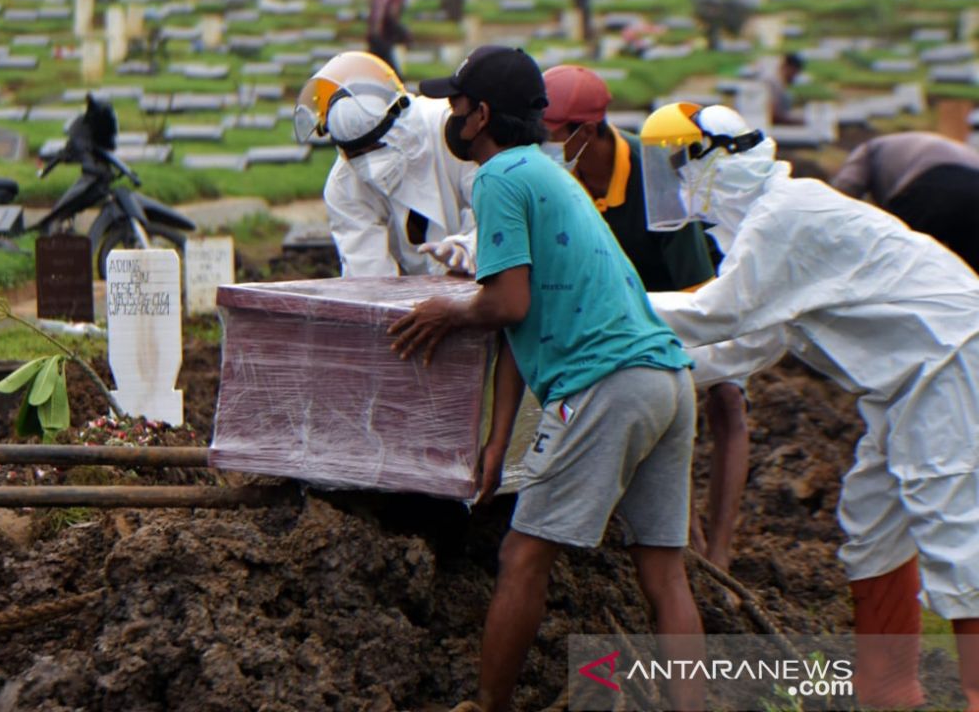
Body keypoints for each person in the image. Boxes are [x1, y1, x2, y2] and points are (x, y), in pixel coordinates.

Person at [389, 46, 705, 712]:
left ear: (479, 115)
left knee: (523, 557)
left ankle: (488, 705)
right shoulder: (549, 171)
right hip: (667, 381)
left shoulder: (499, 177)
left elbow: (505, 305)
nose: (450, 114)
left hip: (608, 383)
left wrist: (446, 312)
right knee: (663, 571)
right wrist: (499, 441)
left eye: (455, 104)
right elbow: (518, 325)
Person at [637, 101, 979, 710]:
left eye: (678, 168)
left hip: (948, 359)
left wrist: (593, 309)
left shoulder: (784, 214)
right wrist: (650, 365)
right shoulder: (765, 225)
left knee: (956, 534)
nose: (677, 186)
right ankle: (889, 692)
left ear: (715, 161)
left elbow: (721, 313)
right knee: (873, 525)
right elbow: (756, 342)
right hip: (908, 380)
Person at [541, 65, 750, 571]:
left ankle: (718, 547)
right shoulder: (552, 178)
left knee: (725, 399)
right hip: (611, 307)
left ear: (585, 132)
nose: (539, 144)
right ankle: (678, 528)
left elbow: (695, 285)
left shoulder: (654, 169)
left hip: (686, 293)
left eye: (548, 134)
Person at [293, 51, 477, 277]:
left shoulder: (450, 131)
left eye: (376, 148)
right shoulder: (343, 186)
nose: (369, 164)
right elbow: (369, 277)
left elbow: (499, 211)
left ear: (397, 123)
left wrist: (470, 246)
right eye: (356, 154)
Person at [831, 131, 979, 273]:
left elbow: (845, 187)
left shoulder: (868, 149)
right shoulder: (952, 146)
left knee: (898, 261)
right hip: (974, 185)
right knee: (969, 271)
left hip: (928, 183)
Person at [367, 0, 414, 78]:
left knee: (376, 71)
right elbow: (391, 15)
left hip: (374, 34)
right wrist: (404, 33)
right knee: (394, 78)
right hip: (382, 37)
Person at [766, 52, 803, 124]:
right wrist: (798, 121)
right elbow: (774, 115)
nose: (795, 76)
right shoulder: (773, 84)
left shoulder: (781, 85)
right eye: (794, 71)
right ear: (786, 67)